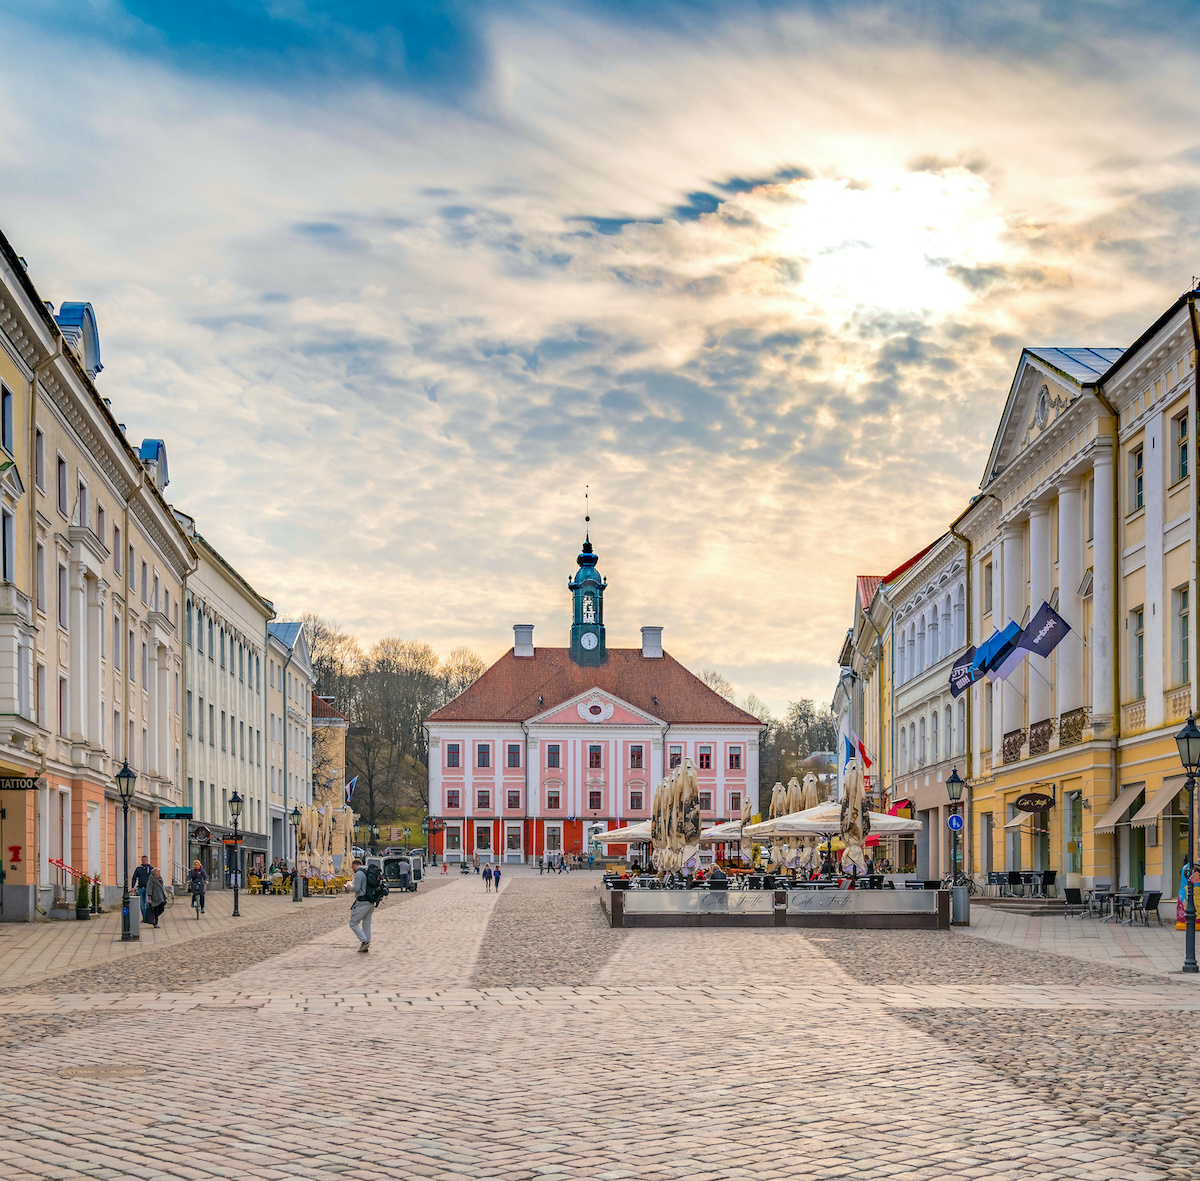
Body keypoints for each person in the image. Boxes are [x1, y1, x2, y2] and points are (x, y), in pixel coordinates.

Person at [348, 857, 374, 952]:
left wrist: (349, 888)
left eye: (352, 866)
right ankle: (366, 945)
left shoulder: (359, 873)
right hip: (371, 901)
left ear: (355, 865)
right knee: (366, 924)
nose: (352, 868)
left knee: (353, 923)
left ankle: (364, 941)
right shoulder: (367, 872)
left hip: (362, 902)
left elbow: (357, 888)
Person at [131, 855, 151, 920]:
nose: (144, 861)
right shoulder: (138, 869)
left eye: (145, 859)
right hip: (140, 888)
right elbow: (134, 878)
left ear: (147, 860)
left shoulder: (150, 869)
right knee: (142, 905)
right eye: (143, 860)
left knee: (146, 903)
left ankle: (146, 918)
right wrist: (132, 887)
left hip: (148, 888)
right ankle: (144, 917)